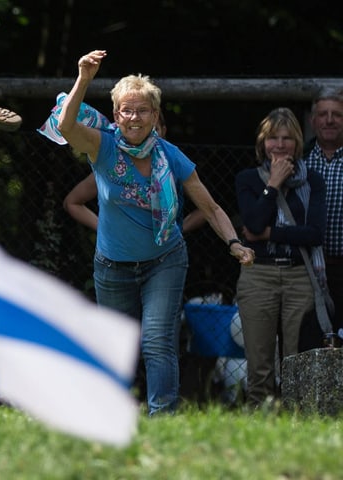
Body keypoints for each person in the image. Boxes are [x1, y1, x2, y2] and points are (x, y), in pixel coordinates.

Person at [50, 49, 254, 415]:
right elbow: (65, 127)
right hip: (113, 267)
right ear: (116, 115)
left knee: (157, 341)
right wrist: (84, 77)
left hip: (164, 260)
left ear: (155, 116)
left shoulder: (170, 155)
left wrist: (234, 243)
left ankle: (163, 421)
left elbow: (210, 207)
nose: (134, 117)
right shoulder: (103, 146)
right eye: (126, 110)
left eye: (142, 110)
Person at [235, 107, 326, 407]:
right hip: (258, 274)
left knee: (295, 361)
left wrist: (269, 235)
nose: (281, 144)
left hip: (300, 276)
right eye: (273, 137)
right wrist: (273, 185)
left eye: (287, 138)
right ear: (262, 142)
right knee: (259, 363)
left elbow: (314, 234)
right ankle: (259, 421)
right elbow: (253, 225)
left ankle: (295, 423)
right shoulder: (248, 179)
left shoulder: (313, 180)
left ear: (298, 142)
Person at [63, 110, 207, 234]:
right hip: (120, 254)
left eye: (154, 128)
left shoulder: (175, 163)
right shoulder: (113, 167)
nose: (147, 134)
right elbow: (72, 202)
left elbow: (208, 209)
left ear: (163, 130)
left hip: (166, 255)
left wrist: (174, 232)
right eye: (141, 128)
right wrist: (106, 231)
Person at [304, 87, 343, 336]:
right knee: (313, 339)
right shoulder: (299, 160)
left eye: (337, 115)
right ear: (313, 120)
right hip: (308, 269)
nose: (329, 120)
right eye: (323, 114)